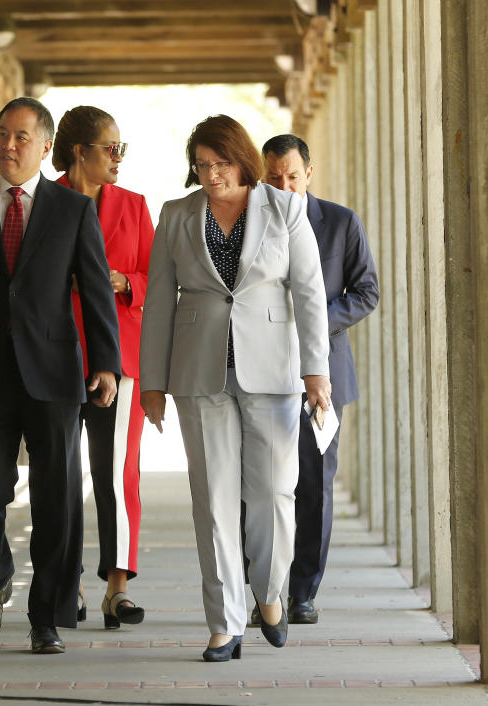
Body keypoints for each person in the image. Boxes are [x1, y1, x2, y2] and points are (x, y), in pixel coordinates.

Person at [0, 97, 121, 655]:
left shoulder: (72, 208)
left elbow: (92, 291)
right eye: (1, 135)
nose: (8, 146)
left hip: (56, 372)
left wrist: (105, 363)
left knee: (56, 499)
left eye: (20, 138)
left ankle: (46, 617)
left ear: (44, 146)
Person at [140, 115, 330, 662]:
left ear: (242, 161)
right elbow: (158, 302)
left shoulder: (286, 208)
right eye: (201, 165)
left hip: (273, 371)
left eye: (220, 163)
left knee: (273, 493)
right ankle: (224, 622)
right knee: (213, 500)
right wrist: (152, 381)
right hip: (199, 373)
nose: (211, 174)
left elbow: (310, 291)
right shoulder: (177, 215)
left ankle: (270, 592)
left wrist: (316, 371)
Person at [250, 133, 379, 625]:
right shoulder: (249, 217)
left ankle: (302, 591)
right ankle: (263, 580)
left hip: (322, 372)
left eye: (291, 176)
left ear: (309, 173)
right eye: (273, 177)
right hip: (259, 367)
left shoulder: (341, 223)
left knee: (314, 486)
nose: (282, 185)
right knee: (257, 479)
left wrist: (314, 319)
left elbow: (366, 291)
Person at [52, 106, 154, 629]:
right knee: (61, 476)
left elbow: (158, 278)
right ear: (79, 152)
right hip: (55, 356)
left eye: (121, 148)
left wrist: (124, 282)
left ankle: (118, 587)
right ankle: (65, 584)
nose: (117, 157)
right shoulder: (44, 202)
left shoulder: (134, 207)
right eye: (109, 148)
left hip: (121, 355)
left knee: (116, 474)